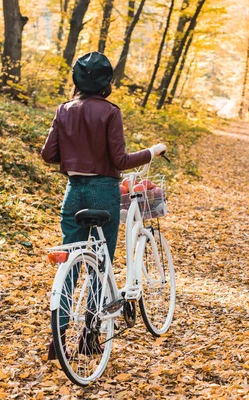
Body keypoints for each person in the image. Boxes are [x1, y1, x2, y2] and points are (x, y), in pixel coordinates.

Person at [40, 52, 166, 360]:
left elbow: (47, 154)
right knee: (100, 261)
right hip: (103, 191)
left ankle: (58, 337)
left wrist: (73, 154)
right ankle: (90, 335)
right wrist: (152, 151)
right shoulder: (110, 112)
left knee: (69, 261)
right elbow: (120, 161)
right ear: (107, 82)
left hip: (73, 193)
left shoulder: (64, 109)